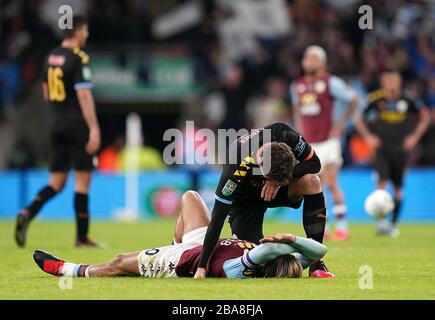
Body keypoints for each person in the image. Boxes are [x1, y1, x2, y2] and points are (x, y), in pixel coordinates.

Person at [33, 191, 327, 279]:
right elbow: (319, 253)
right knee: (189, 199)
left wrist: (286, 242)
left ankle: (68, 270)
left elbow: (267, 252)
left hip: (184, 260)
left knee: (120, 262)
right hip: (202, 244)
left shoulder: (242, 268)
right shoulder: (281, 263)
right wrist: (296, 243)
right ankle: (168, 244)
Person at [194, 122, 335, 279]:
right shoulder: (237, 161)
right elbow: (218, 217)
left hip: (280, 186)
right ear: (260, 163)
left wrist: (277, 181)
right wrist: (202, 266)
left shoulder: (287, 135)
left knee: (312, 181)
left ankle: (317, 263)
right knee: (254, 254)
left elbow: (315, 164)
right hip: (245, 201)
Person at [14, 16, 101, 247]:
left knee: (56, 183)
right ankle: (82, 237)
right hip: (76, 124)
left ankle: (27, 211)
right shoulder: (79, 58)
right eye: (86, 29)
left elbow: (45, 93)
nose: (88, 34)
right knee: (82, 182)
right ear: (79, 31)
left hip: (55, 124)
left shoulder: (51, 57)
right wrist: (93, 127)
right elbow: (84, 95)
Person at [291, 45, 360, 241]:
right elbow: (296, 108)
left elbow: (354, 99)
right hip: (309, 144)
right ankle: (325, 228)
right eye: (306, 58)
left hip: (329, 142)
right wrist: (299, 129)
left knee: (331, 182)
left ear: (322, 62)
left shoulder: (331, 82)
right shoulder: (297, 85)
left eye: (313, 58)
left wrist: (340, 125)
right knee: (315, 186)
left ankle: (342, 228)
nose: (308, 62)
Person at [354, 70, 430, 237]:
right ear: (383, 81)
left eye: (394, 79)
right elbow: (358, 118)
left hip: (401, 150)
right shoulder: (375, 99)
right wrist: (368, 136)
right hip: (382, 149)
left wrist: (414, 137)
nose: (391, 83)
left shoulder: (408, 99)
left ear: (400, 81)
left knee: (397, 189)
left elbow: (426, 116)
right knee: (381, 184)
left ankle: (392, 224)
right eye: (387, 79)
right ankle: (381, 222)